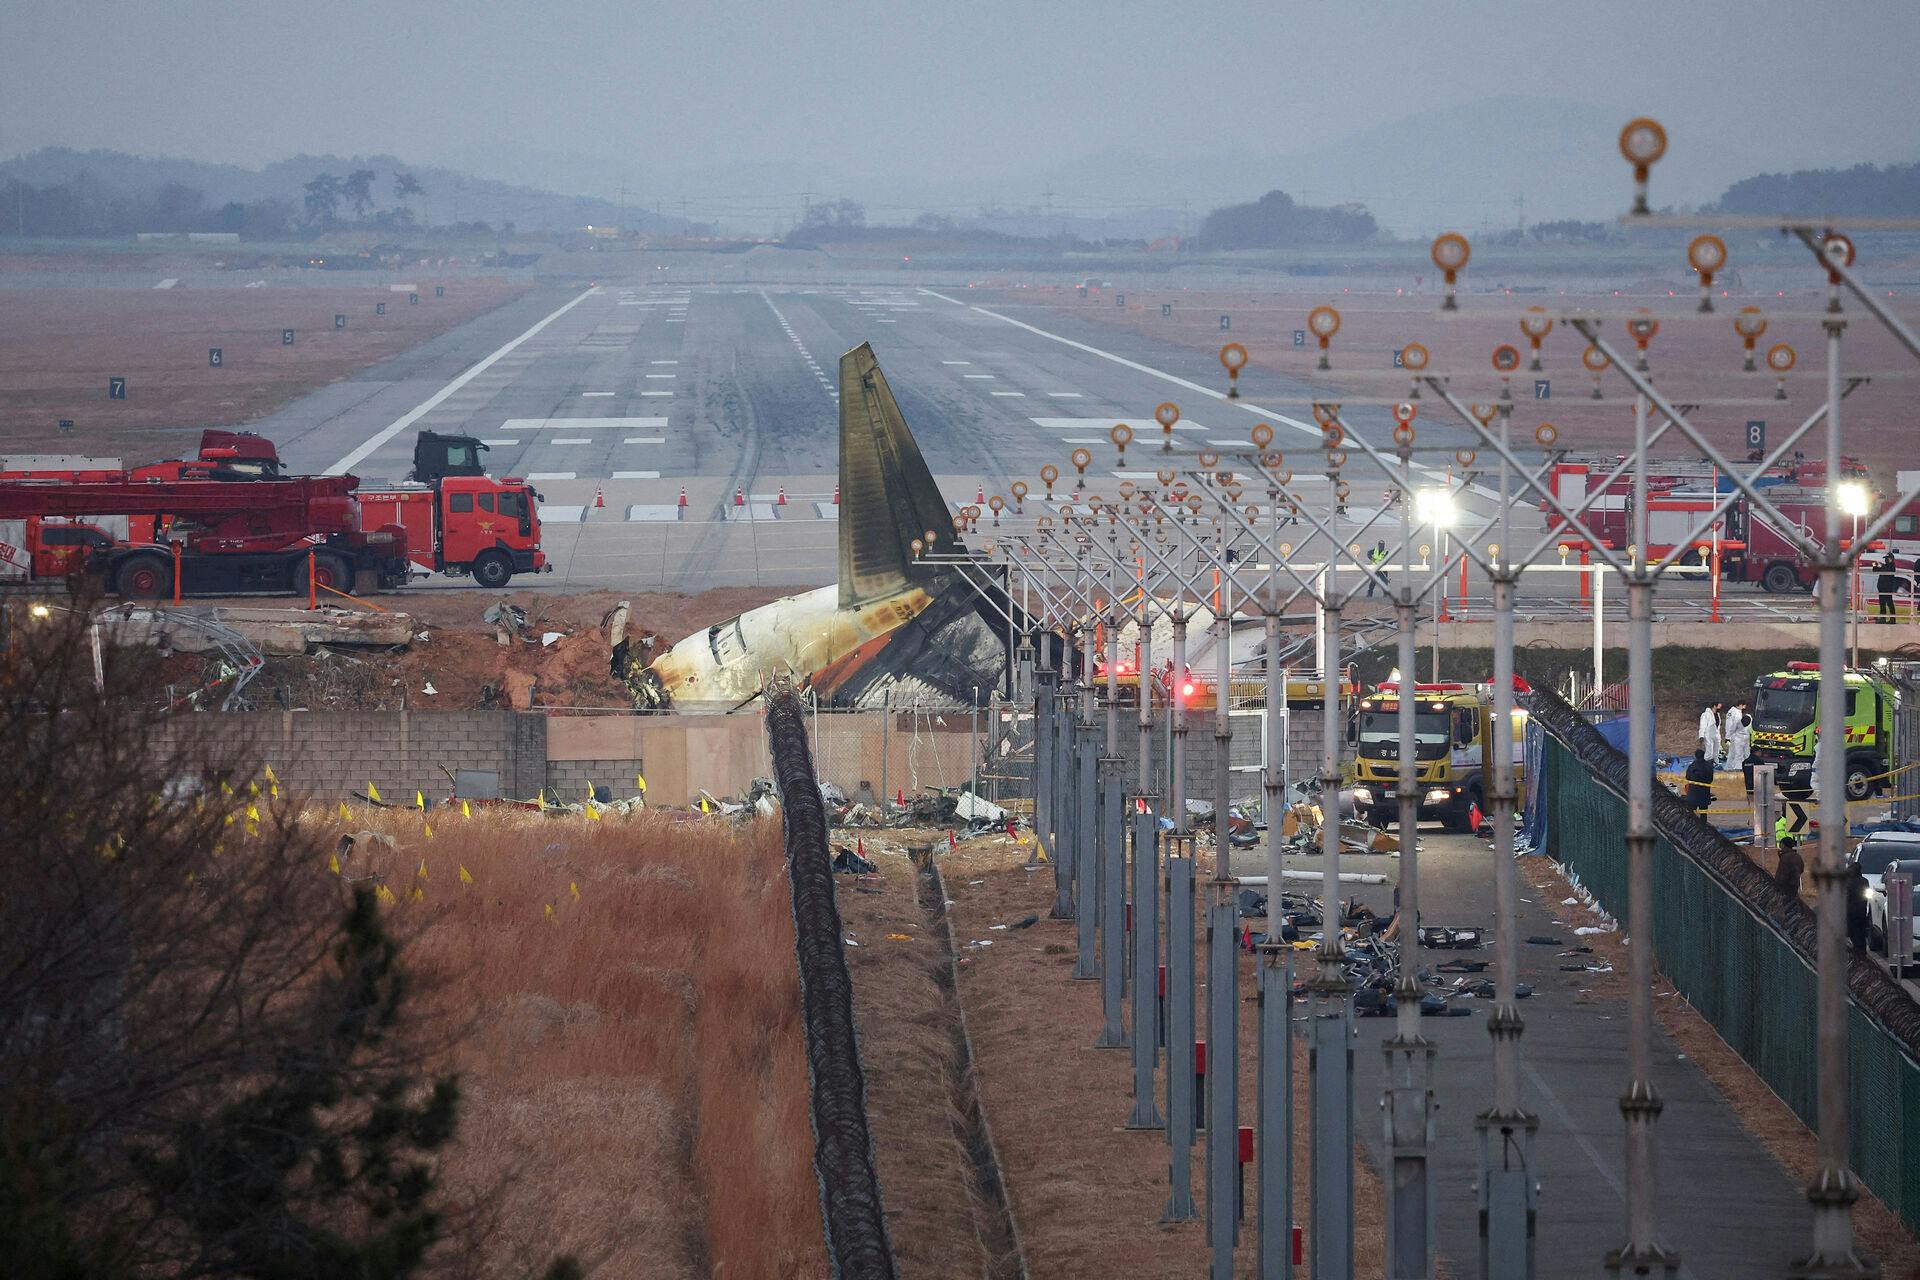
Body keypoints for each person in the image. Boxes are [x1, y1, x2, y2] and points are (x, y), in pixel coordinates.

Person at [1847, 862, 1872, 954]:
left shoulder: (1849, 882)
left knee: (1853, 932)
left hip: (1850, 911)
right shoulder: (1864, 881)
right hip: (1862, 910)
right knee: (1861, 932)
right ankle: (1862, 950)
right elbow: (1866, 895)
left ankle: (1857, 950)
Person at [1684, 747, 1716, 817]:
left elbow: (1687, 777)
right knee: (1703, 814)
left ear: (1695, 756)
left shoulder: (1691, 766)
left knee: (1692, 815)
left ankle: (1693, 827)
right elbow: (1710, 779)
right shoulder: (1709, 766)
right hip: (1704, 794)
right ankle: (1703, 826)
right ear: (1703, 755)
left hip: (1693, 794)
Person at [1723, 701, 1751, 781]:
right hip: (1737, 737)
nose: (1745, 708)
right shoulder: (1733, 712)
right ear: (1741, 705)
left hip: (1746, 738)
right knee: (1737, 754)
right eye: (1744, 706)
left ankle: (1732, 768)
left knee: (1745, 754)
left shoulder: (1745, 715)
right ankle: (1736, 769)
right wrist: (1728, 736)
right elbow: (1730, 727)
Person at [1875, 553, 1902, 624]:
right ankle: (1882, 618)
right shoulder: (1885, 566)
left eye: (1887, 558)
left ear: (1891, 559)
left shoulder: (1892, 566)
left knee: (1890, 603)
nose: (1886, 560)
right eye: (1885, 558)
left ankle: (1893, 619)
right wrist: (1875, 564)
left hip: (1887, 588)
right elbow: (1875, 569)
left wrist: (1880, 565)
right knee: (1882, 604)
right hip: (1881, 588)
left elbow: (1886, 569)